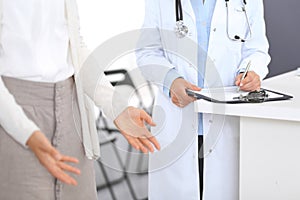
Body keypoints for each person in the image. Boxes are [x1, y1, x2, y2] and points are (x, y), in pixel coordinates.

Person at [0, 0, 160, 199]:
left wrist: (116, 107)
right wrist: (26, 133)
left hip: (70, 113)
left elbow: (75, 45)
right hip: (13, 117)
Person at [136, 0, 270, 199]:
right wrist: (171, 80)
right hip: (178, 118)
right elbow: (147, 52)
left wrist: (250, 71)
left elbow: (257, 49)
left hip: (227, 121)